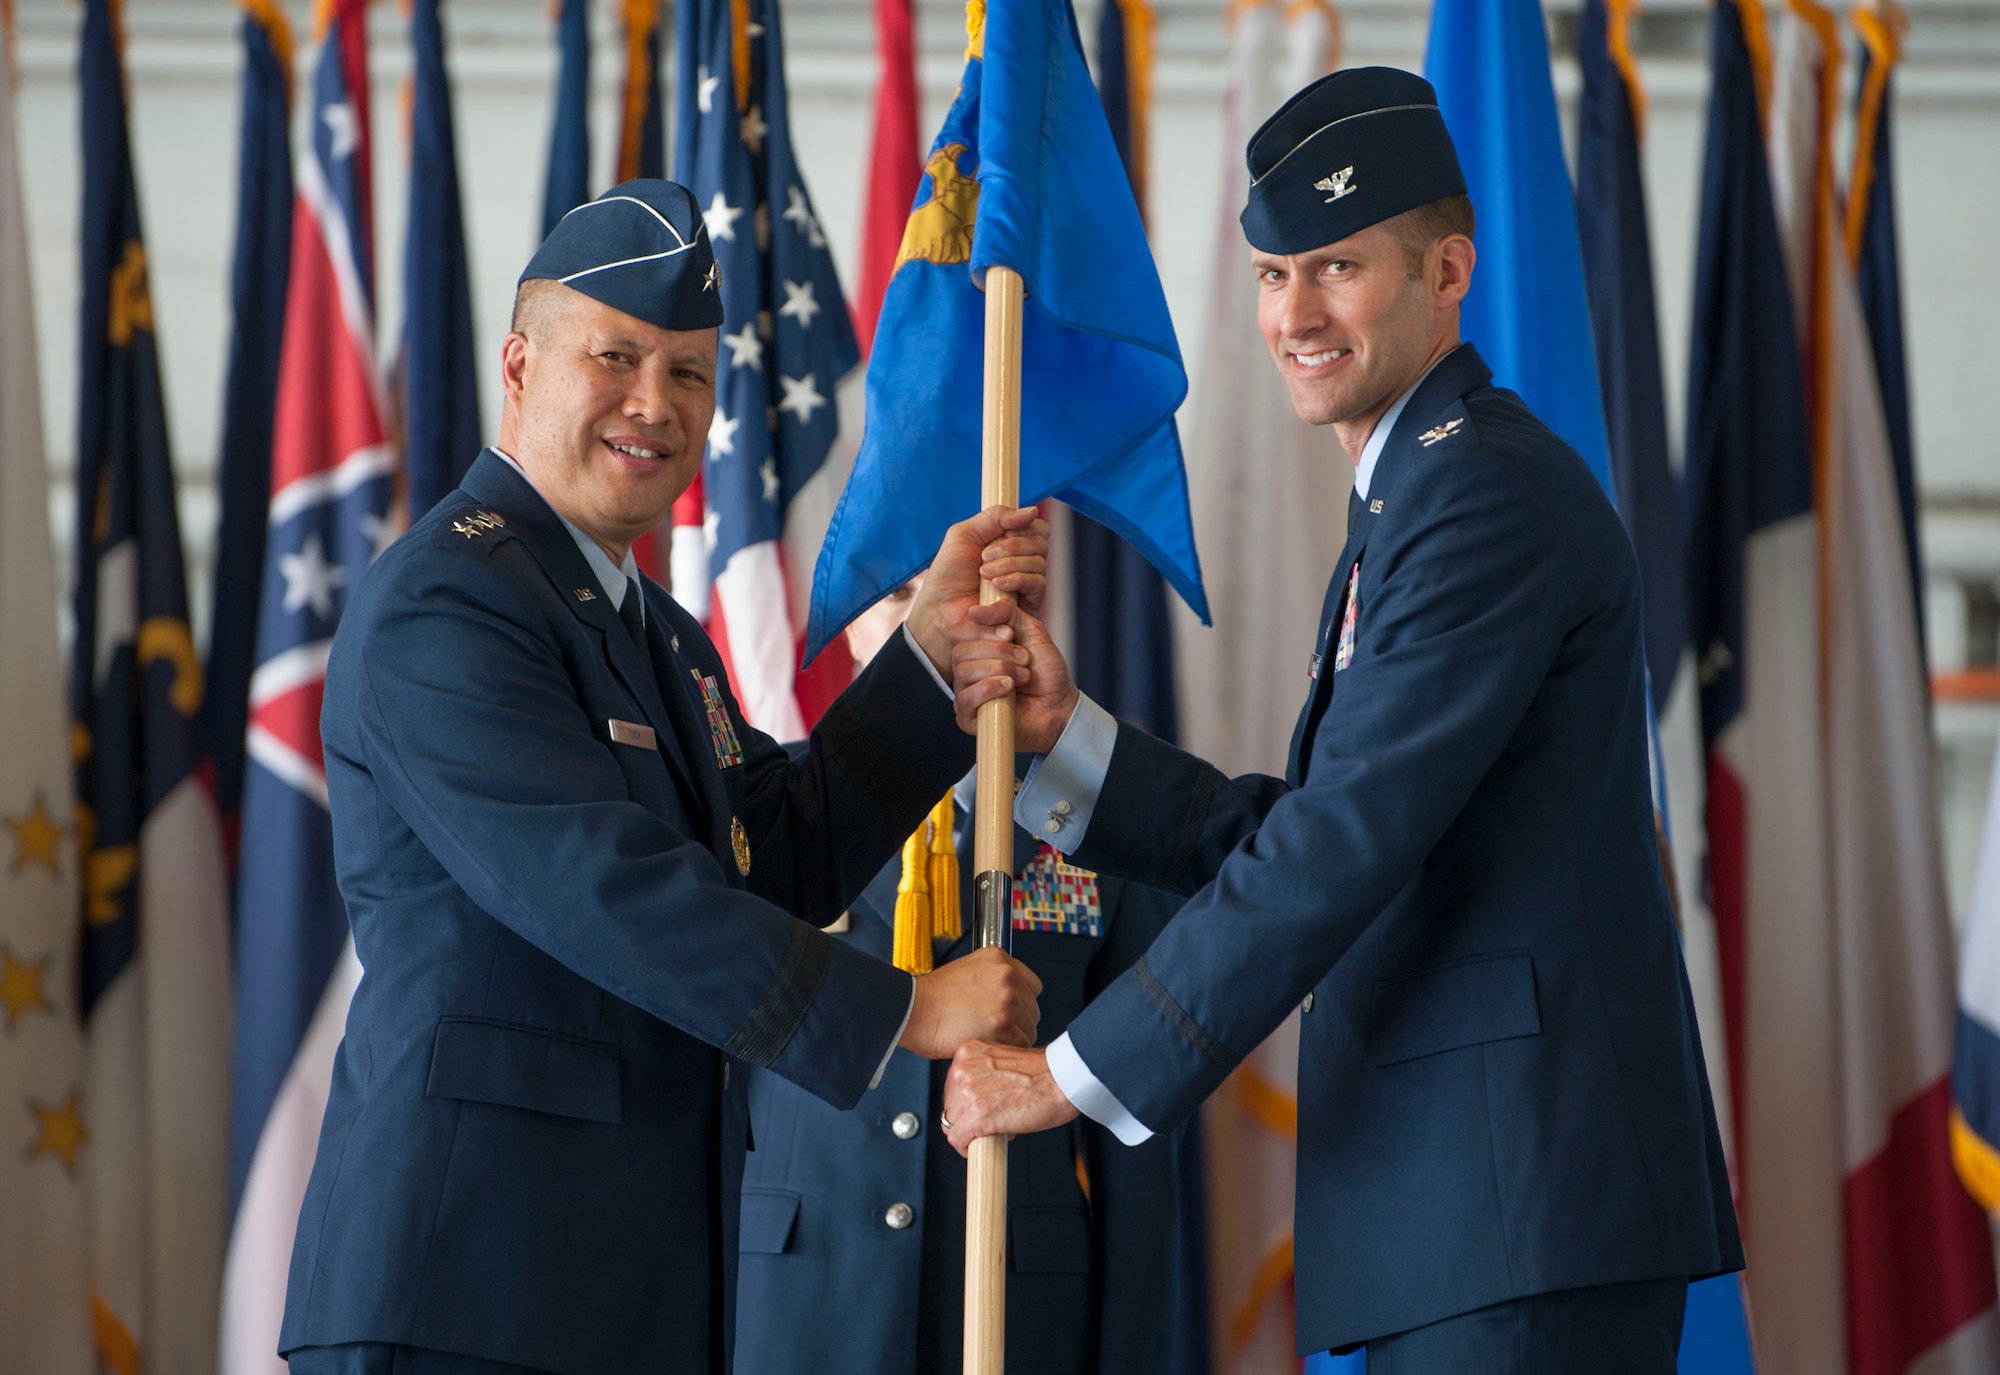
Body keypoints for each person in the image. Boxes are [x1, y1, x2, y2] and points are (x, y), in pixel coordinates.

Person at [940, 68, 1743, 1372]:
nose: (1295, 313)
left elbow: (1342, 844)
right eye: (1271, 274)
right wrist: (1067, 735)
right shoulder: (1424, 487)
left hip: (1514, 1208)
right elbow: (1335, 824)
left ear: (1448, 272)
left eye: (1336, 268)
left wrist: (1069, 1071)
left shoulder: (1474, 496)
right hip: (1477, 1206)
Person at [280, 180, 1045, 1375]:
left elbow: (769, 856)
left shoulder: (658, 634)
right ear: (519, 366)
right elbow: (601, 884)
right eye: (617, 357)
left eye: (689, 372)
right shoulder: (448, 600)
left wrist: (930, 667)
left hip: (614, 1290)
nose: (656, 403)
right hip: (466, 1284)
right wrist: (901, 1009)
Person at [732, 575, 1194, 1375]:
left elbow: (1139, 1123)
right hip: (796, 1296)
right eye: (901, 594)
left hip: (1020, 1305)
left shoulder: (1097, 826)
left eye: (971, 593)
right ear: (850, 632)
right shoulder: (767, 809)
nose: (937, 619)